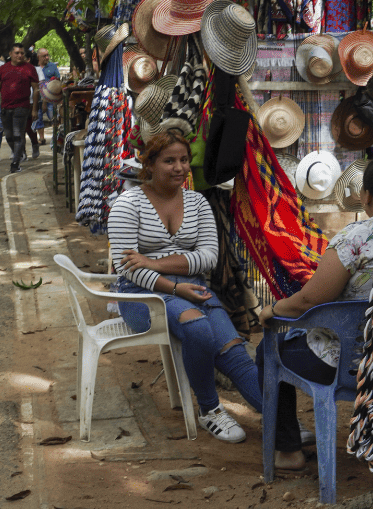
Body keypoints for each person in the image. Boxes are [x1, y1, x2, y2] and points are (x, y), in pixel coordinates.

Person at [108, 131, 263, 443]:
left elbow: (207, 258)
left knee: (235, 353)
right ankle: (210, 410)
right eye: (169, 161)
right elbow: (128, 267)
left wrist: (153, 262)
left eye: (183, 160)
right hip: (142, 297)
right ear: (148, 164)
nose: (180, 167)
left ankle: (280, 422)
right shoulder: (127, 204)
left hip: (193, 287)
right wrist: (174, 286)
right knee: (198, 328)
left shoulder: (197, 202)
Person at [256, 156, 373, 471]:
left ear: (366, 196)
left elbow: (308, 300)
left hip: (348, 362)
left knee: (267, 349)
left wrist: (271, 310)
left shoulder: (358, 237)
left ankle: (288, 451)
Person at [0, 43, 40, 173]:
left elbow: (36, 89)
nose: (20, 55)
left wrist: (34, 109)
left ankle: (15, 163)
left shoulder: (30, 68)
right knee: (9, 136)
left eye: (22, 53)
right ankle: (20, 153)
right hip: (5, 107)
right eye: (17, 53)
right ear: (11, 54)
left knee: (18, 134)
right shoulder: (3, 69)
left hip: (22, 107)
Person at [35, 48, 60, 145]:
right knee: (38, 117)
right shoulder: (34, 67)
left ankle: (56, 137)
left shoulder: (52, 66)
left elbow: (57, 80)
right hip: (37, 97)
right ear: (38, 57)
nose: (47, 57)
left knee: (54, 117)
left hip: (50, 98)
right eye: (44, 56)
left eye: (47, 55)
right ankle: (41, 138)